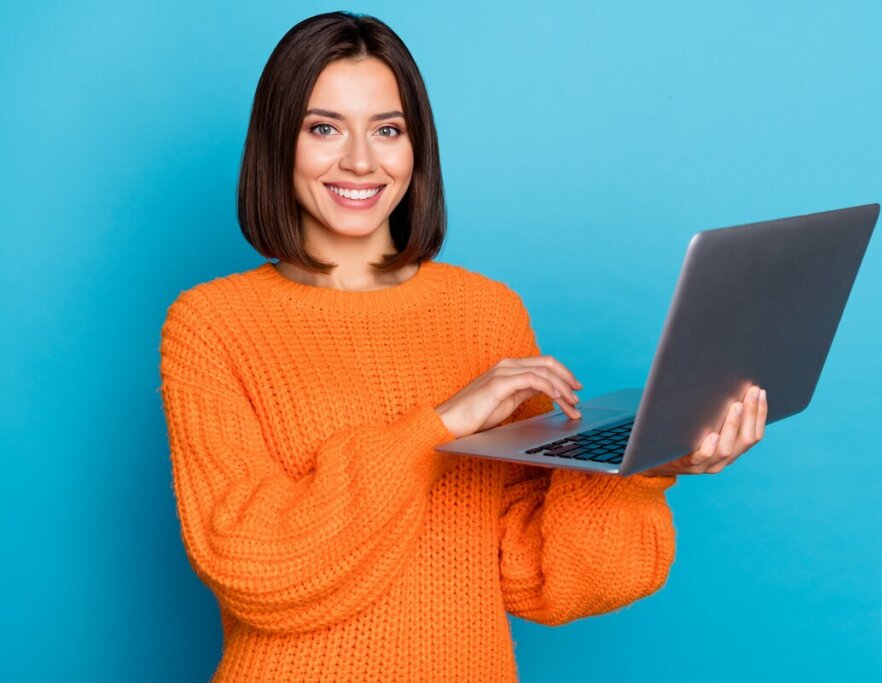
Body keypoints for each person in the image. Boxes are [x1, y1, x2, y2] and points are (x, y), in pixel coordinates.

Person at [158, 11, 767, 682]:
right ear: (279, 142)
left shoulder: (488, 314)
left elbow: (536, 574)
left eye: (387, 130)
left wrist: (649, 465)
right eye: (323, 127)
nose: (360, 160)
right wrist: (440, 426)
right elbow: (252, 564)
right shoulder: (211, 323)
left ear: (417, 147)